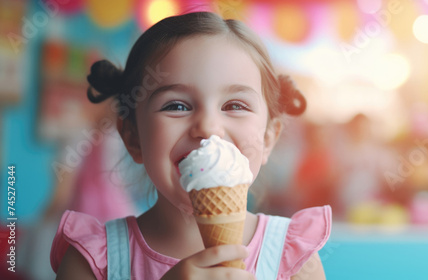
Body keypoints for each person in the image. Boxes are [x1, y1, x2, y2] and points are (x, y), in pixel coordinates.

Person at [50, 11, 331, 280]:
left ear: (269, 139)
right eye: (177, 105)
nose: (208, 127)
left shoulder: (293, 259)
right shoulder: (93, 260)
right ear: (133, 138)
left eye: (235, 105)